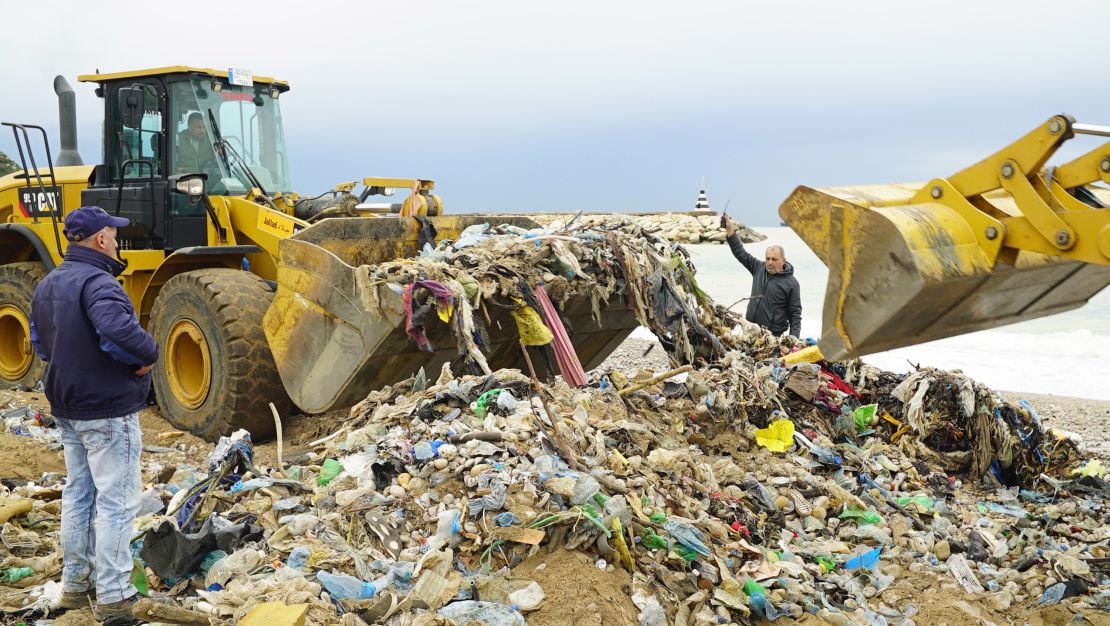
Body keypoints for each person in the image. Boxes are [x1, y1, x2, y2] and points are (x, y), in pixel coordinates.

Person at [30, 206, 158, 621]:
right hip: (105, 406)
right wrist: (145, 356)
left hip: (67, 404)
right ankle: (115, 597)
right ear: (100, 239)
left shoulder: (50, 282)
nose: (117, 240)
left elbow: (42, 344)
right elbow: (116, 331)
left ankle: (75, 585)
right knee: (117, 502)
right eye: (113, 234)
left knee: (79, 494)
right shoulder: (99, 282)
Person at [722, 214, 802, 337]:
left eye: (774, 259)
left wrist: (793, 341)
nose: (769, 262)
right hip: (749, 328)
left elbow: (795, 315)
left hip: (772, 335)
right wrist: (729, 229)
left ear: (783, 260)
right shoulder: (758, 268)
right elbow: (740, 252)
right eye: (767, 258)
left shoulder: (792, 283)